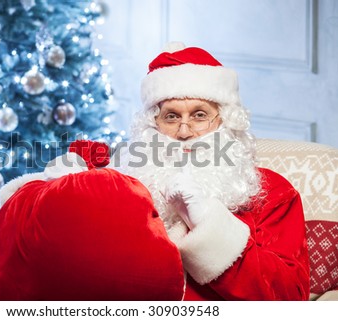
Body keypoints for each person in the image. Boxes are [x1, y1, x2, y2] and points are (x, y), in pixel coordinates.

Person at [112, 42, 310, 300]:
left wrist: (208, 226)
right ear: (153, 124)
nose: (184, 132)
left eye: (199, 115)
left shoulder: (272, 192)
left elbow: (290, 297)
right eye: (171, 117)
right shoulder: (123, 185)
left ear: (225, 121)